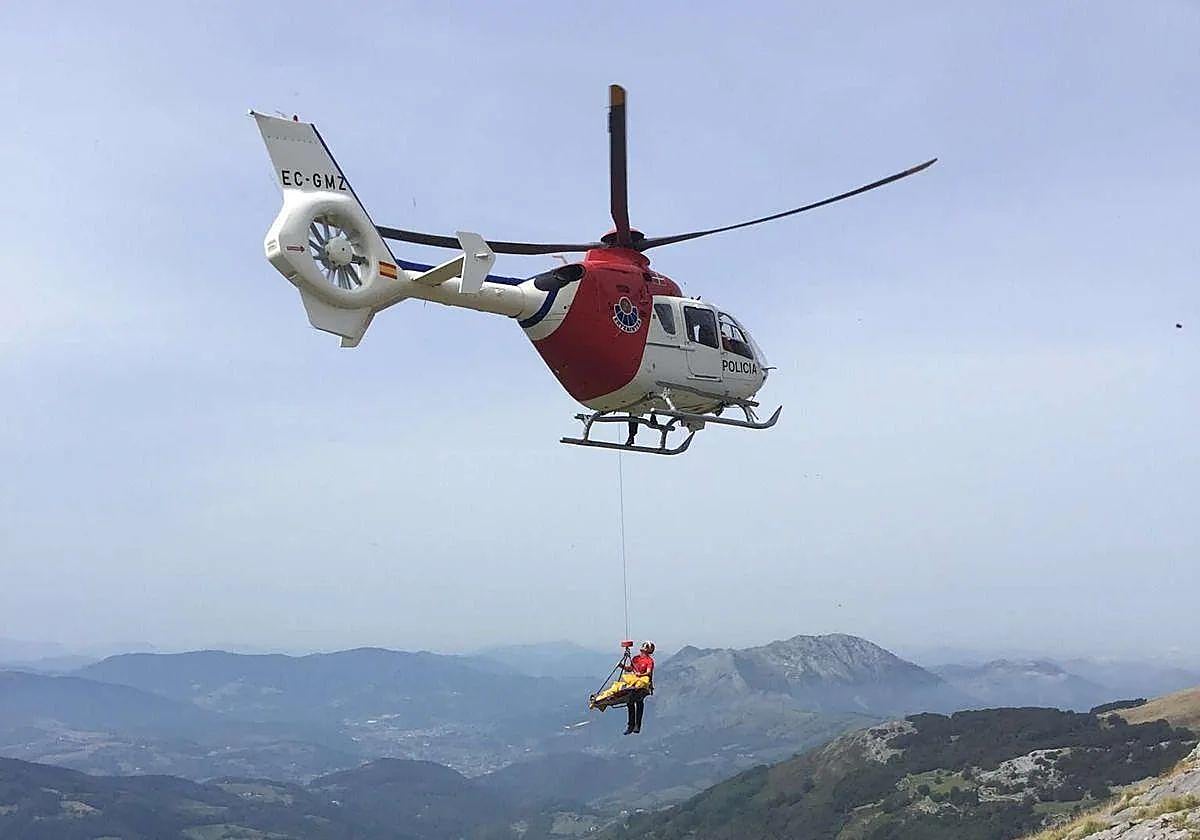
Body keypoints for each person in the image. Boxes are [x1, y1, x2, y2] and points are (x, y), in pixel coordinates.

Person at [622, 641, 655, 735]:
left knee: (638, 701)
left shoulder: (649, 661)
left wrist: (640, 675)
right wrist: (622, 666)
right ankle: (631, 725)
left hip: (642, 684)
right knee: (630, 702)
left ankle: (636, 725)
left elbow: (648, 673)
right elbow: (630, 669)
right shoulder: (636, 658)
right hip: (635, 682)